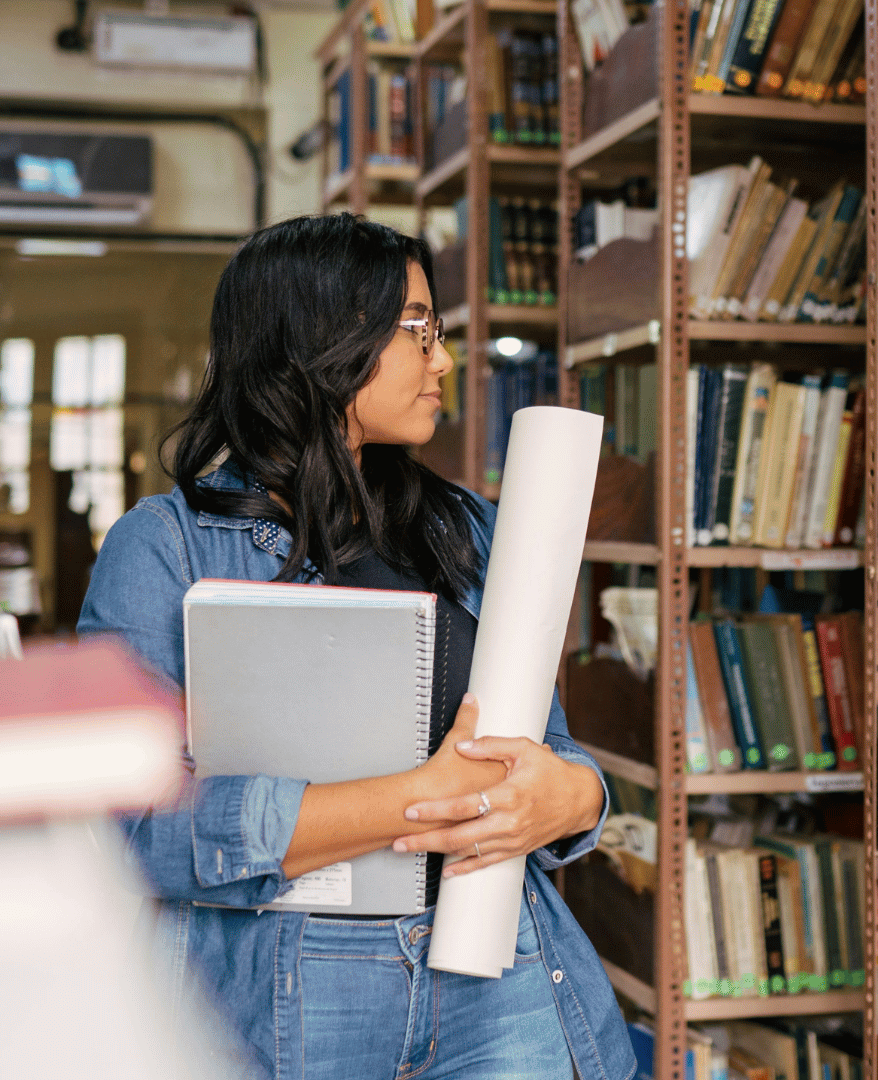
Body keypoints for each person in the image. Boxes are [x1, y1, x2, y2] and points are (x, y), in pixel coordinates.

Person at [79, 213, 635, 1080]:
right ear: (319, 339)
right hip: (291, 1001)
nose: (442, 359)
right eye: (416, 330)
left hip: (501, 981)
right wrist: (417, 799)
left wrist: (574, 798)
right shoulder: (166, 549)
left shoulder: (471, 530)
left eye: (436, 329)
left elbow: (546, 750)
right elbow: (134, 830)